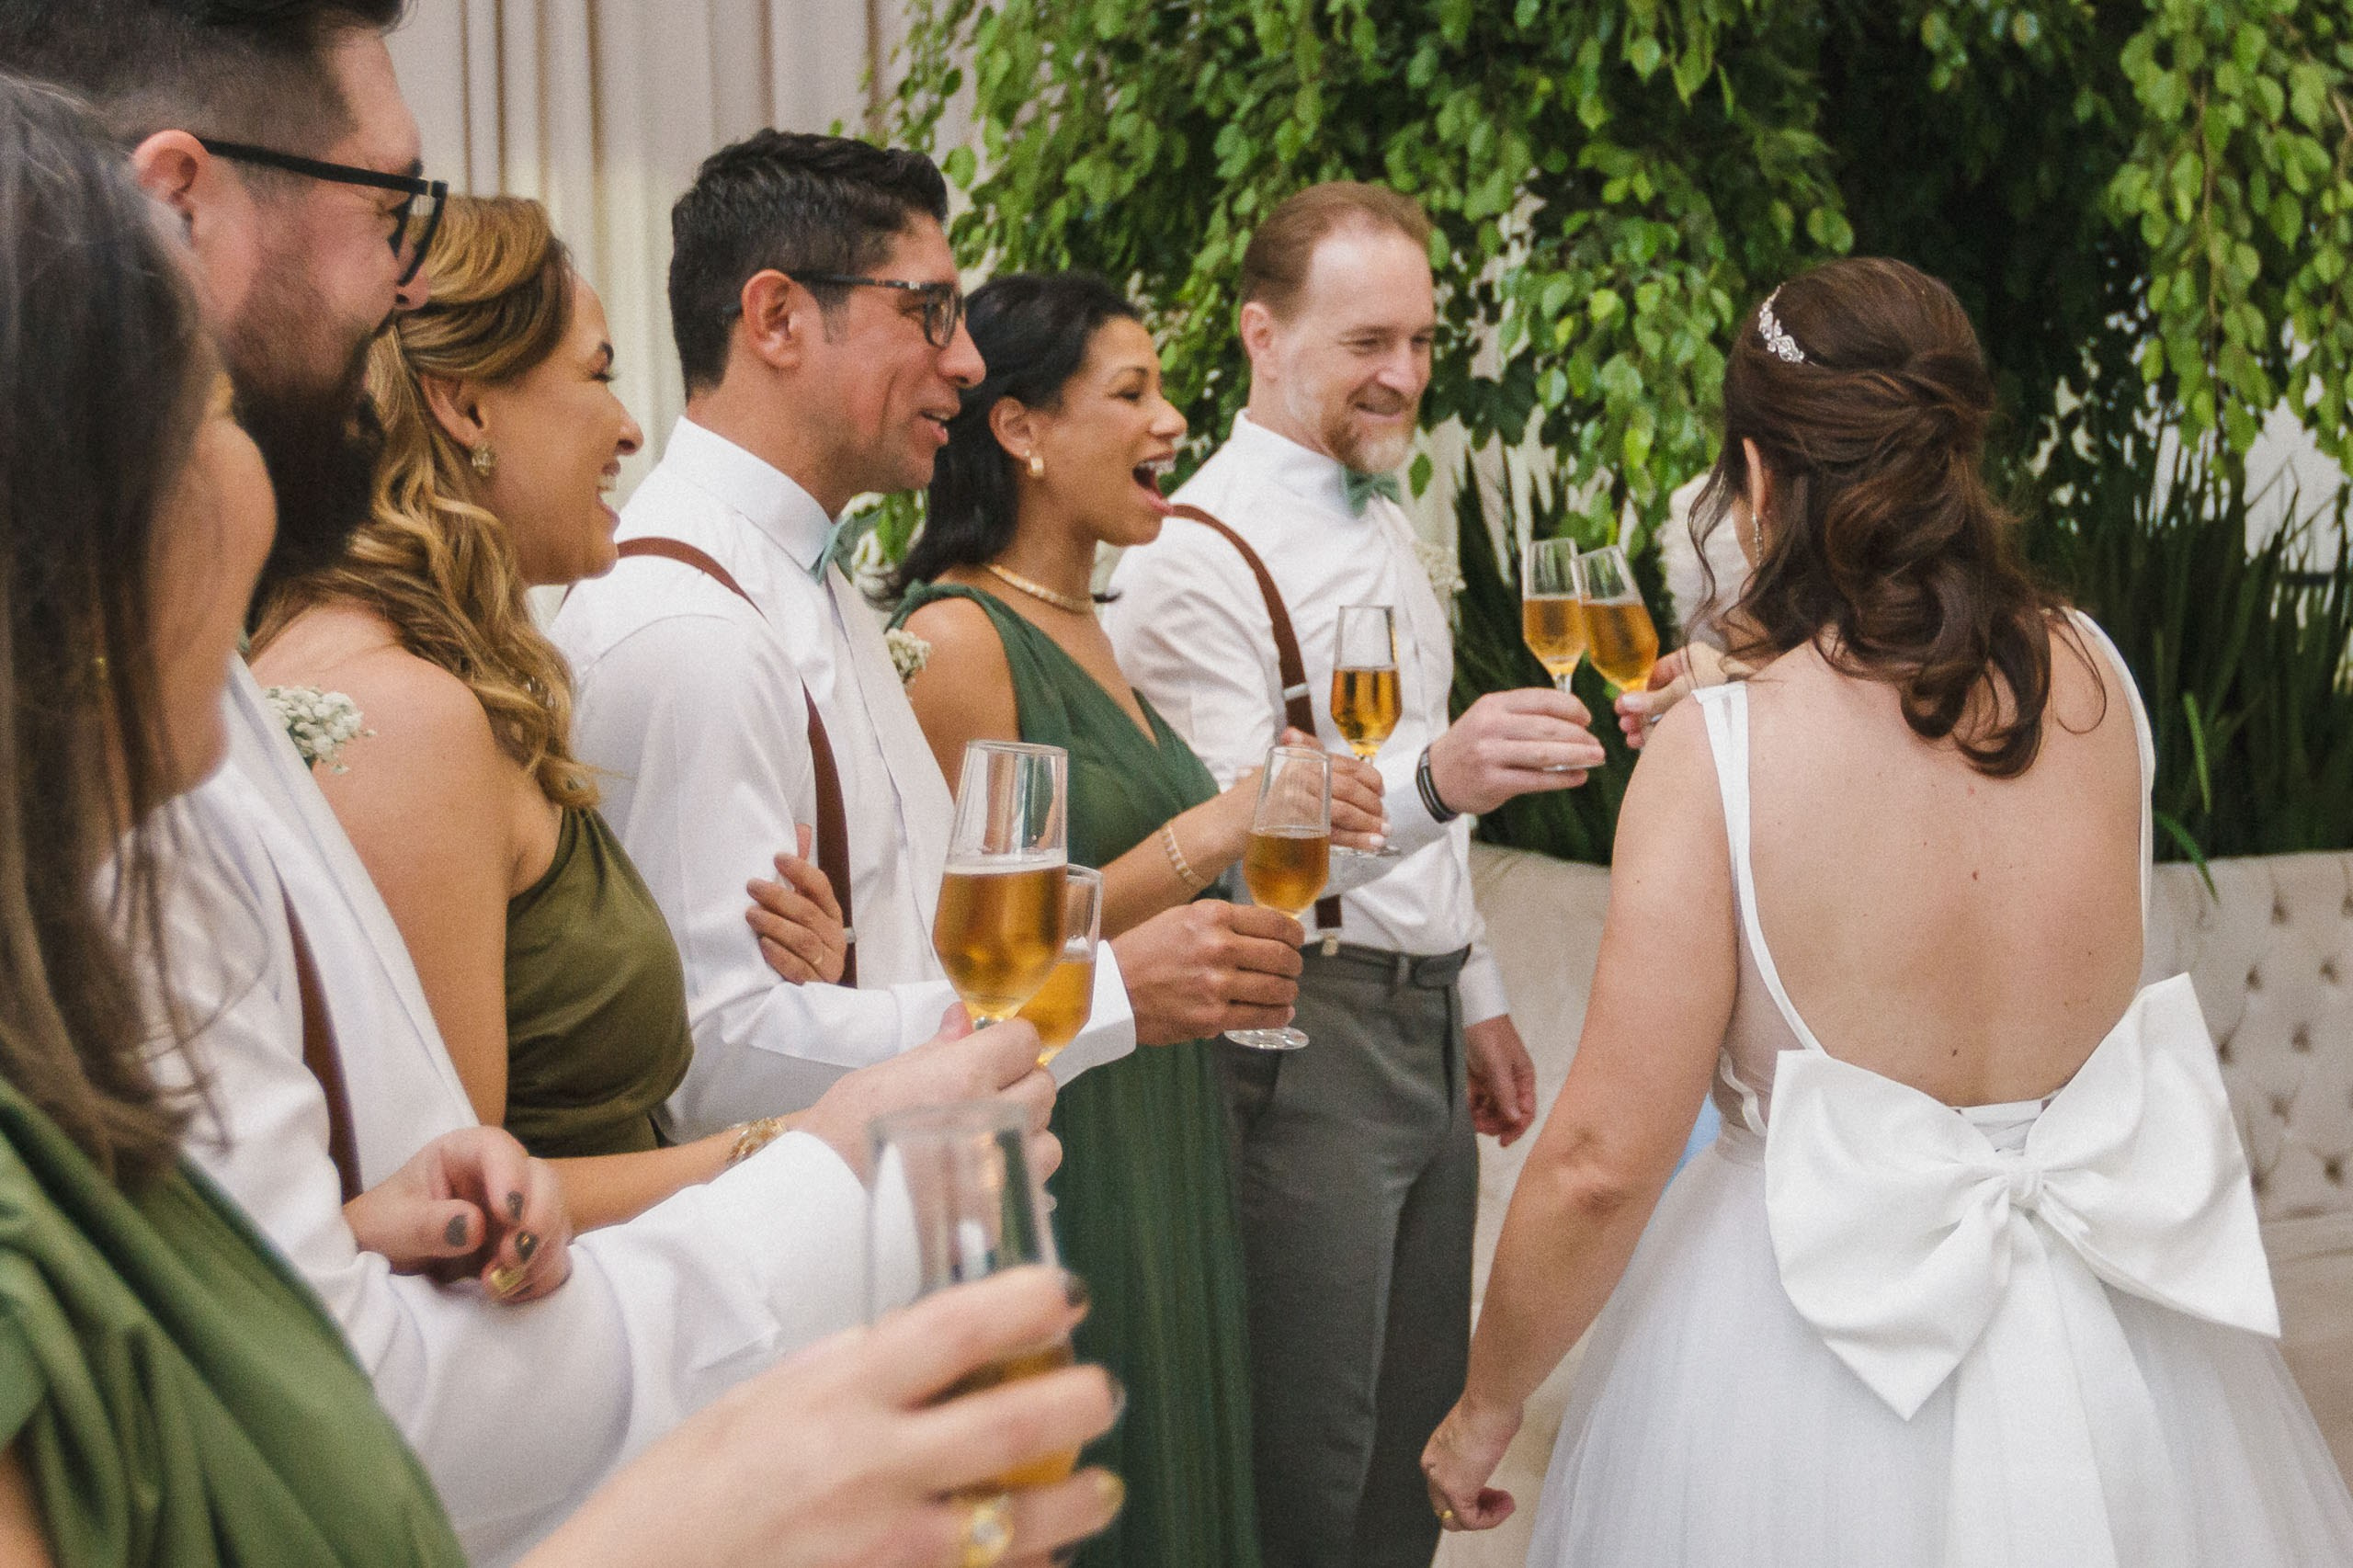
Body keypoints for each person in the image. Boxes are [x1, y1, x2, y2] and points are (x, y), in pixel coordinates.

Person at [0, 72, 1123, 1568]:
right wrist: (819, 1177)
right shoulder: (471, 694)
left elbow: (225, 1346)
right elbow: (380, 1413)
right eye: (202, 411)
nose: (628, 421)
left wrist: (326, 1243)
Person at [1421, 258, 2353, 1565]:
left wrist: (1483, 1407)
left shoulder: (1720, 751)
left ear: (1758, 476)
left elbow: (1600, 1160)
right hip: (2120, 1343)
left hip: (1802, 1354)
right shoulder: (2099, 677)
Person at [551, 131, 1313, 1136]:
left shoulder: (802, 579)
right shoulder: (691, 626)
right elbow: (717, 1063)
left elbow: (903, 934)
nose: (967, 360)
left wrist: (858, 963)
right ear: (778, 318)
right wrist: (1106, 992)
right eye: (928, 312)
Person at [1101, 181, 1599, 1568]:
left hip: (1420, 1018)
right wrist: (1440, 776)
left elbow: (1417, 804)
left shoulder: (1382, 520)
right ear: (1261, 336)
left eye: (1422, 341)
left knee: (1407, 1447)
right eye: (1368, 341)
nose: (1405, 374)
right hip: (1298, 1030)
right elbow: (1240, 840)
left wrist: (1476, 991)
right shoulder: (1189, 555)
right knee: (1305, 1461)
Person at [885, 272, 1386, 1567]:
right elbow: (973, 953)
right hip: (1072, 1135)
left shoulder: (1093, 627)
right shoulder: (959, 638)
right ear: (1020, 429)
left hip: (1168, 1111)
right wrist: (1218, 828)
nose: (1172, 421)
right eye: (1132, 392)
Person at [250, 194, 847, 1225]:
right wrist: (820, 1142)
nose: (629, 427)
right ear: (466, 407)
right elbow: (464, 1209)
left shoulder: (418, 676)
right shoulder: (405, 715)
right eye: (598, 373)